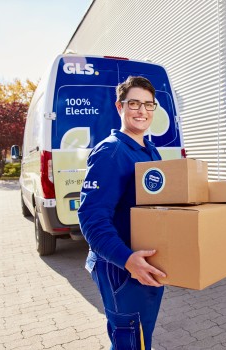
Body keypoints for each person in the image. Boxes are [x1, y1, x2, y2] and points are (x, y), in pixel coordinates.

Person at [78, 76, 166, 350]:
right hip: (122, 269)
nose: (142, 111)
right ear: (120, 107)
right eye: (134, 103)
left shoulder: (149, 151)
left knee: (141, 337)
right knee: (130, 341)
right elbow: (91, 218)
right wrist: (127, 260)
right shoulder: (112, 151)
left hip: (143, 266)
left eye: (148, 105)